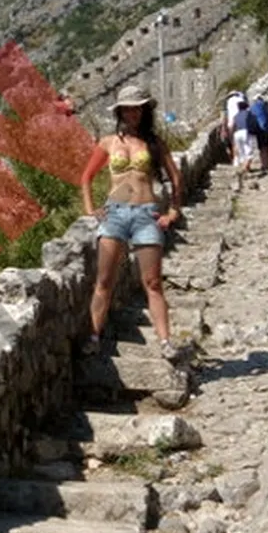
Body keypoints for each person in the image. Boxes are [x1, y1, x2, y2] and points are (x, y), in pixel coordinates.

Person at [79, 85, 184, 360]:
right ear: (120, 112)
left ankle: (165, 342)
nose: (132, 112)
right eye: (127, 108)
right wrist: (91, 209)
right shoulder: (108, 142)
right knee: (104, 280)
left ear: (144, 110)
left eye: (137, 107)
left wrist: (173, 211)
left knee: (152, 281)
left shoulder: (154, 143)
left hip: (145, 214)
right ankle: (93, 337)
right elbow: (86, 177)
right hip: (114, 213)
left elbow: (175, 177)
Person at [231, 99, 257, 187]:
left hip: (237, 133)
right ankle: (244, 170)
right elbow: (254, 124)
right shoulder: (249, 114)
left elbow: (232, 126)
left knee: (241, 152)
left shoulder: (236, 116)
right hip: (246, 132)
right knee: (249, 151)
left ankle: (246, 168)